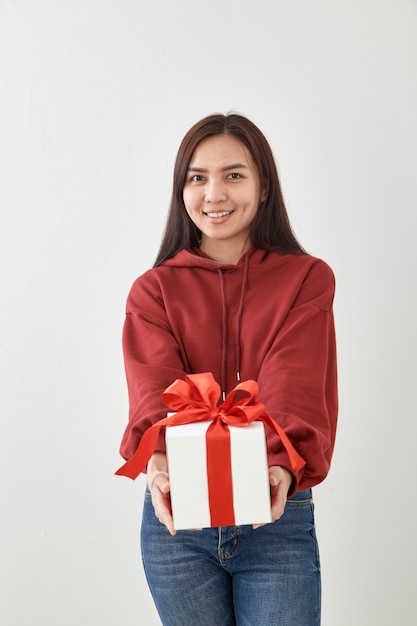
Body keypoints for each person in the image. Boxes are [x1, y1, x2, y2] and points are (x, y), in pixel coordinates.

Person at [118, 113, 338, 626]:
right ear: (182, 190)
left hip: (275, 513)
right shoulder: (152, 290)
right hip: (178, 525)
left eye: (233, 175)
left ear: (264, 187)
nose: (214, 193)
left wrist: (281, 465)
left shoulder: (307, 279)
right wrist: (158, 469)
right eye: (198, 177)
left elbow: (294, 380)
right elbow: (153, 392)